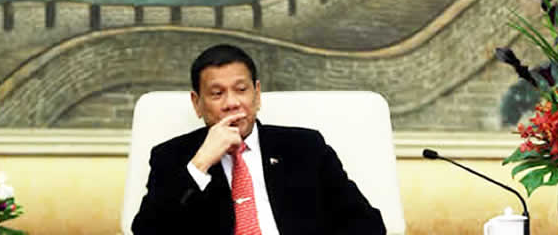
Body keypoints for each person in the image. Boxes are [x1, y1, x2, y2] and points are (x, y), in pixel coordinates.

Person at [131, 44, 386, 235]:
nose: (232, 103)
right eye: (217, 94)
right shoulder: (173, 157)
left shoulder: (305, 147)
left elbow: (367, 225)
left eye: (241, 90)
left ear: (257, 94)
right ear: (197, 103)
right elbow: (147, 231)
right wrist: (200, 165)